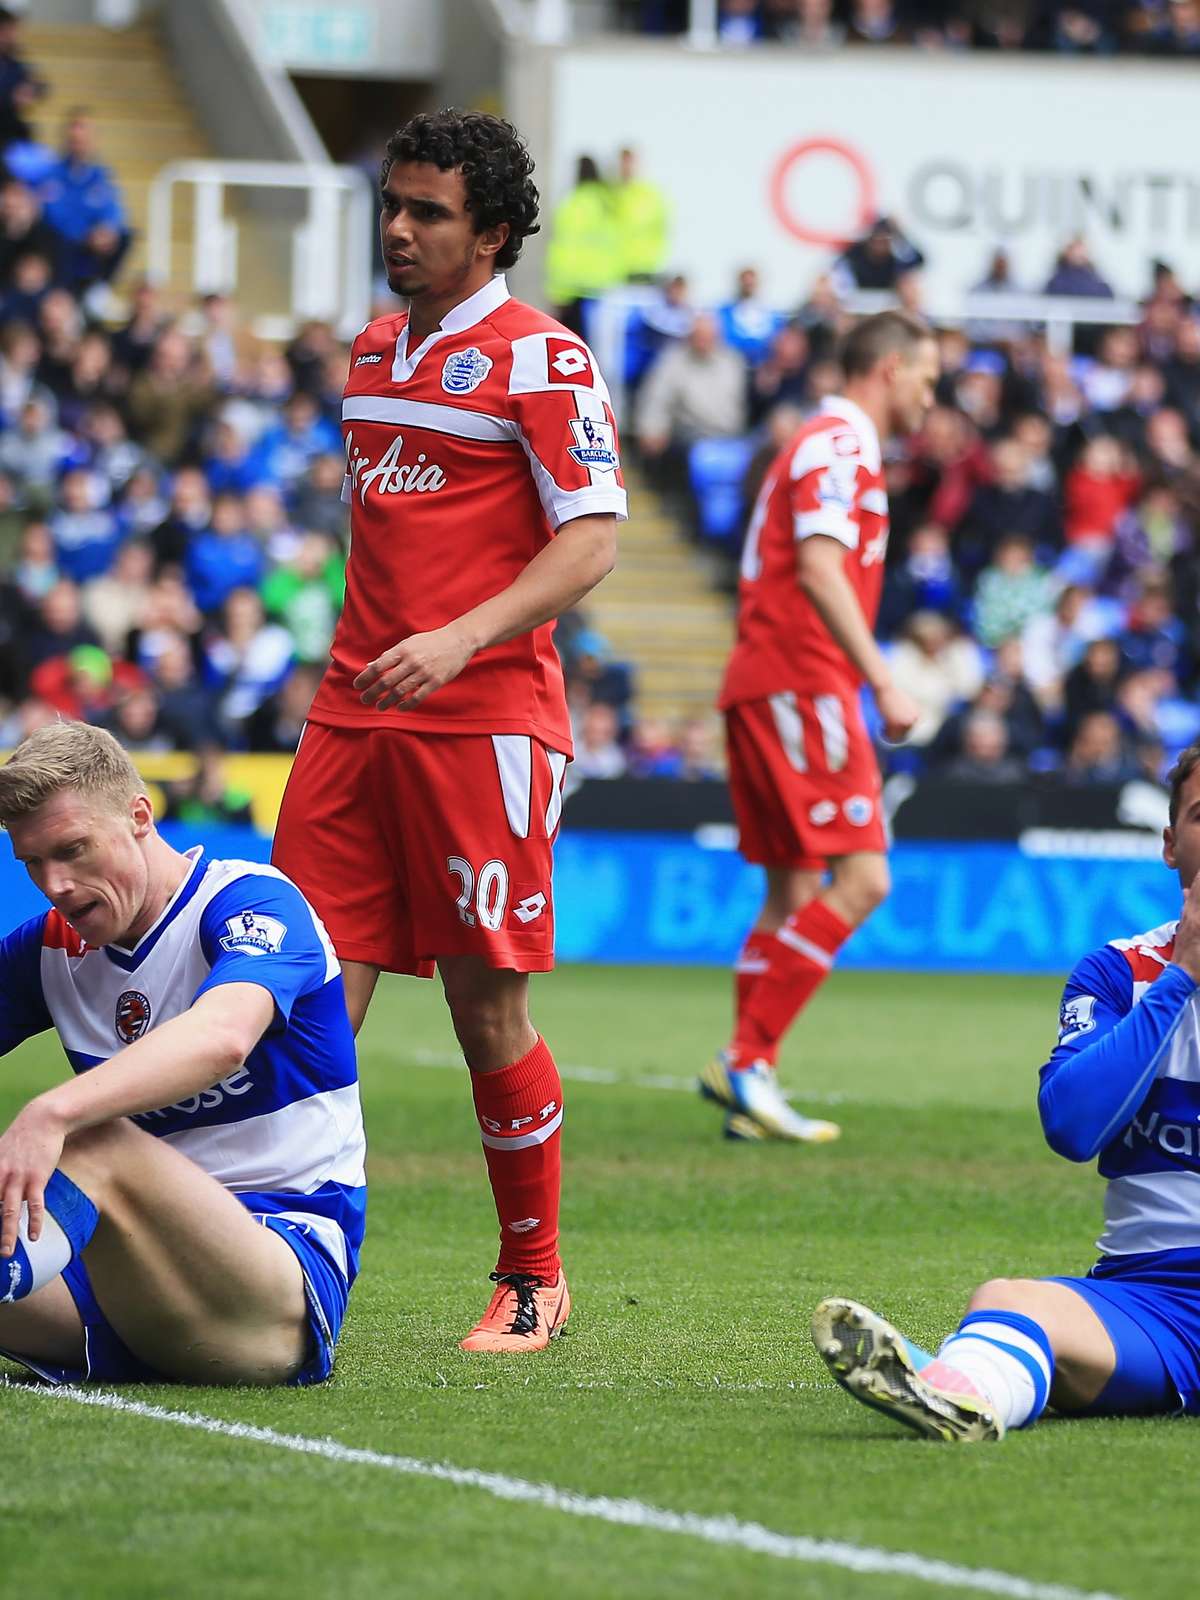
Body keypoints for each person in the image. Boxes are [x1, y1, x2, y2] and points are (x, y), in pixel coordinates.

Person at [272, 109, 625, 1353]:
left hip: (483, 728)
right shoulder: (372, 351)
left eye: (429, 213)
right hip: (349, 721)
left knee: (487, 1014)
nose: (401, 231)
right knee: (296, 995)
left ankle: (534, 1275)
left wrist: (463, 635)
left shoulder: (547, 361)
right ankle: (258, 1255)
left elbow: (590, 539)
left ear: (494, 234)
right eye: (394, 207)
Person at [812, 739, 1200, 1441]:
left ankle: (948, 1375)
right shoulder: (1117, 975)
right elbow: (1073, 1127)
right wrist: (1183, 979)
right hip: (1155, 1301)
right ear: (1171, 845)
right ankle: (959, 1395)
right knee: (1007, 1300)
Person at [0, 720, 362, 1387]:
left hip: (276, 1282)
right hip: (127, 1289)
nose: (53, 882)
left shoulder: (251, 903)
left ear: (140, 816)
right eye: (32, 862)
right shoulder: (51, 947)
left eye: (73, 850)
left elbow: (224, 1037)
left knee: (95, 1139)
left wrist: (52, 1113)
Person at [703, 310, 937, 1141]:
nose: (930, 394)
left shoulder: (820, 442)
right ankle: (746, 1058)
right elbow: (818, 567)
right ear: (890, 367)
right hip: (805, 682)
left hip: (766, 681)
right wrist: (884, 682)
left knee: (792, 891)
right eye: (927, 377)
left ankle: (749, 1089)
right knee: (865, 878)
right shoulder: (843, 443)